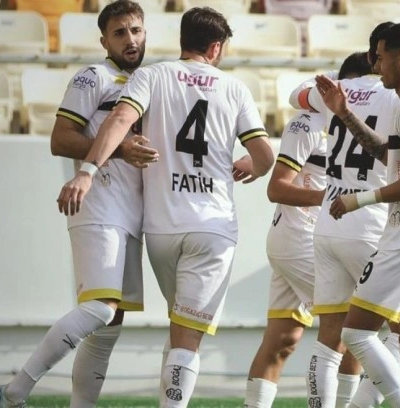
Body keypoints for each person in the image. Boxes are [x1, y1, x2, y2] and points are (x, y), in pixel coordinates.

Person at [56, 6, 274, 408]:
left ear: (181, 40)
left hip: (160, 228)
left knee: (176, 328)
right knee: (186, 338)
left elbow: (119, 120)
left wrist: (87, 171)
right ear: (216, 47)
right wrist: (250, 166)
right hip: (212, 227)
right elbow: (264, 156)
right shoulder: (234, 87)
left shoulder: (152, 75)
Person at [0, 2, 156, 407]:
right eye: (119, 33)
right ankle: (13, 393)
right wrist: (119, 151)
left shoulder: (149, 80)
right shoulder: (92, 76)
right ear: (104, 41)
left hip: (131, 214)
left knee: (110, 325)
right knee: (100, 309)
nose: (130, 39)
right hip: (97, 205)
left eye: (135, 30)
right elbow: (60, 138)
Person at [315, 23, 400, 408]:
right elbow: (390, 158)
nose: (376, 66)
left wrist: (360, 200)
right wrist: (345, 114)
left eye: (380, 58)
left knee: (356, 334)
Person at [243, 52, 373, 408]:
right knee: (350, 328)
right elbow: (277, 188)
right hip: (299, 239)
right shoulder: (309, 122)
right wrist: (332, 197)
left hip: (309, 238)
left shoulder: (361, 123)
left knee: (282, 340)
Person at [290, 22, 400, 408]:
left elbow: (294, 95)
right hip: (371, 222)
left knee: (329, 338)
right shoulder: (397, 95)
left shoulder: (335, 92)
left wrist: (333, 82)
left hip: (328, 224)